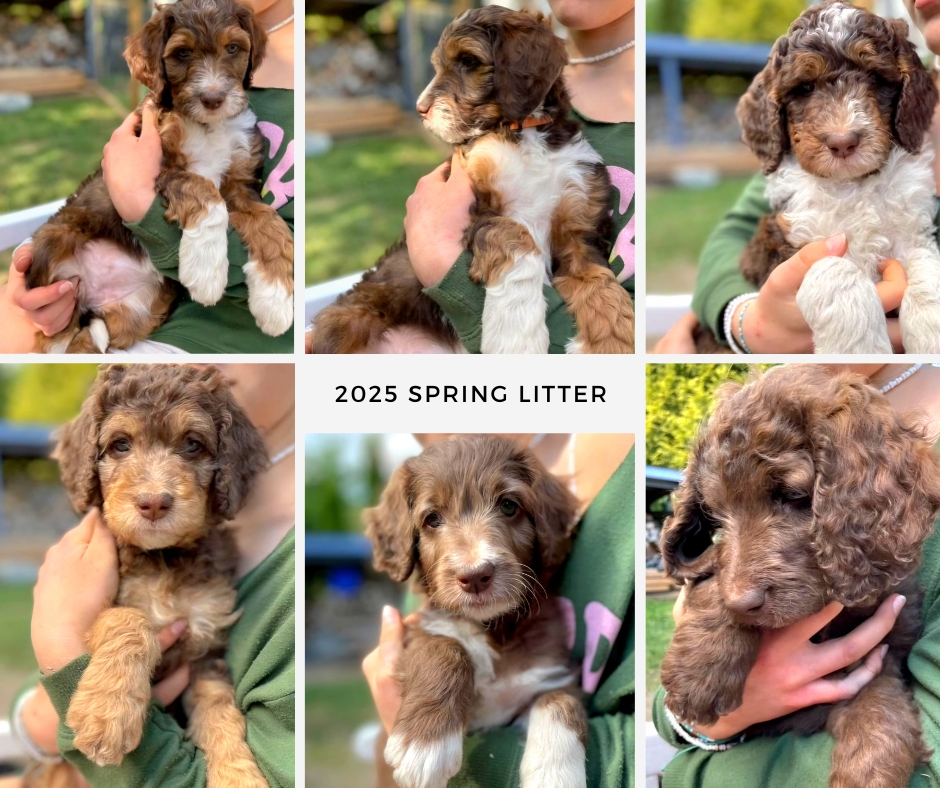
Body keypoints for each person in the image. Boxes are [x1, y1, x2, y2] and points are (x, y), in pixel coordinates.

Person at [651, 363, 940, 787]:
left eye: (791, 496)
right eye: (721, 517)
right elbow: (677, 712)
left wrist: (688, 773)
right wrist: (708, 718)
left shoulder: (865, 453)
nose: (739, 590)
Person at [10, 364, 295, 788]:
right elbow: (39, 708)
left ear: (228, 465)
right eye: (121, 445)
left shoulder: (255, 575)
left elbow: (207, 672)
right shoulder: (92, 560)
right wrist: (34, 718)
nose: (153, 493)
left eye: (193, 446)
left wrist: (231, 763)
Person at [308, 0, 636, 354]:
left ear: (521, 72)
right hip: (384, 322)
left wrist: (438, 253)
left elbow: (580, 264)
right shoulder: (485, 146)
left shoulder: (583, 154)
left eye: (468, 63)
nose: (423, 101)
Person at [0, 0, 294, 354]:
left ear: (250, 51)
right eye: (183, 55)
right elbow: (122, 178)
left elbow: (237, 201)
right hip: (91, 251)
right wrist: (30, 262)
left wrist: (275, 266)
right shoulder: (167, 87)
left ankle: (91, 334)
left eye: (233, 49)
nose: (212, 86)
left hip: (181, 319)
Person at [652, 0, 935, 355]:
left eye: (876, 80)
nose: (842, 131)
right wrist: (740, 320)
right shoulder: (794, 179)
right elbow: (731, 237)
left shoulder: (911, 91)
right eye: (804, 89)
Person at [362, 433, 636, 787]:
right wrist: (435, 687)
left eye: (508, 507)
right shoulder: (433, 630)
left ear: (543, 525)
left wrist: (559, 730)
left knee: (559, 703)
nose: (473, 564)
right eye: (433, 519)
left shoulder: (547, 632)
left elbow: (561, 693)